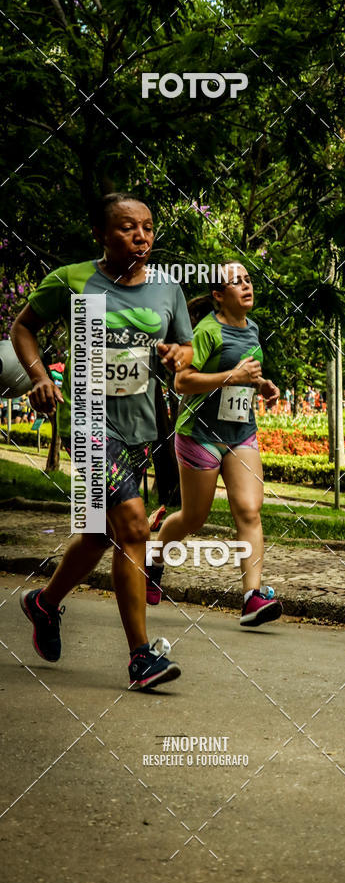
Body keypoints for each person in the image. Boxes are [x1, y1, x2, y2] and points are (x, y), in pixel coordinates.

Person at [11, 192, 193, 690]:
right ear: (101, 236)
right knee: (132, 526)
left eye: (149, 228)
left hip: (140, 427)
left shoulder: (167, 288)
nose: (141, 237)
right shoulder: (72, 279)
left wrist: (179, 355)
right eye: (128, 228)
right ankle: (141, 658)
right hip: (89, 423)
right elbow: (23, 326)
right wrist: (38, 377)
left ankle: (44, 604)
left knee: (99, 535)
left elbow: (187, 348)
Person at [146, 261, 283, 627]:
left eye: (249, 279)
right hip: (199, 436)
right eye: (236, 283)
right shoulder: (206, 331)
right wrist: (231, 377)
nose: (246, 286)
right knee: (193, 517)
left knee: (249, 511)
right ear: (219, 297)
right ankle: (153, 558)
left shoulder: (252, 329)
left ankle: (252, 598)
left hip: (240, 434)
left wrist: (261, 384)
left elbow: (245, 373)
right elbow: (182, 382)